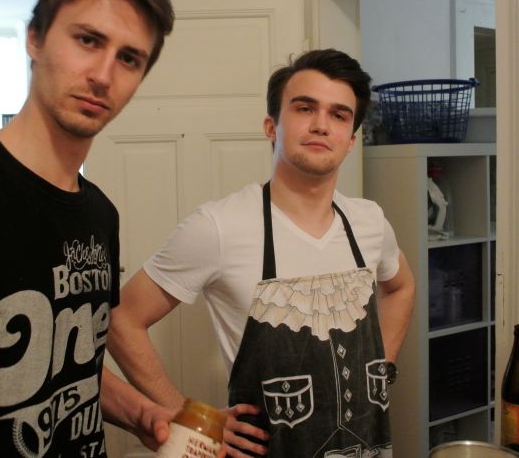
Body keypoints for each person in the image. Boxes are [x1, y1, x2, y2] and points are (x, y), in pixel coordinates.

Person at [107, 49, 416, 457]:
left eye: (339, 115)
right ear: (272, 126)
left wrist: (380, 370)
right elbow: (121, 319)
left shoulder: (369, 222)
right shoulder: (219, 227)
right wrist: (185, 416)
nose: (321, 125)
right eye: (305, 108)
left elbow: (401, 287)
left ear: (351, 142)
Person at [0, 0, 176, 457]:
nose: (103, 76)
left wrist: (139, 411)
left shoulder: (100, 215)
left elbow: (66, 366)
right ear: (35, 39)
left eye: (129, 59)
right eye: (88, 40)